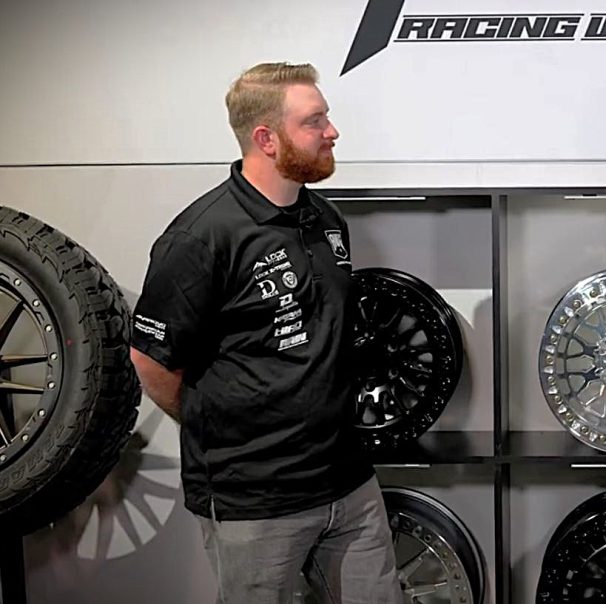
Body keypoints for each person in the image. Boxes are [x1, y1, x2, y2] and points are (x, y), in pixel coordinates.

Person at [129, 62, 403, 604]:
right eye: (314, 121)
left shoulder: (325, 220)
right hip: (255, 500)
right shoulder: (200, 237)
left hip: (347, 482)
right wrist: (225, 426)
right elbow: (152, 362)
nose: (332, 131)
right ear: (266, 139)